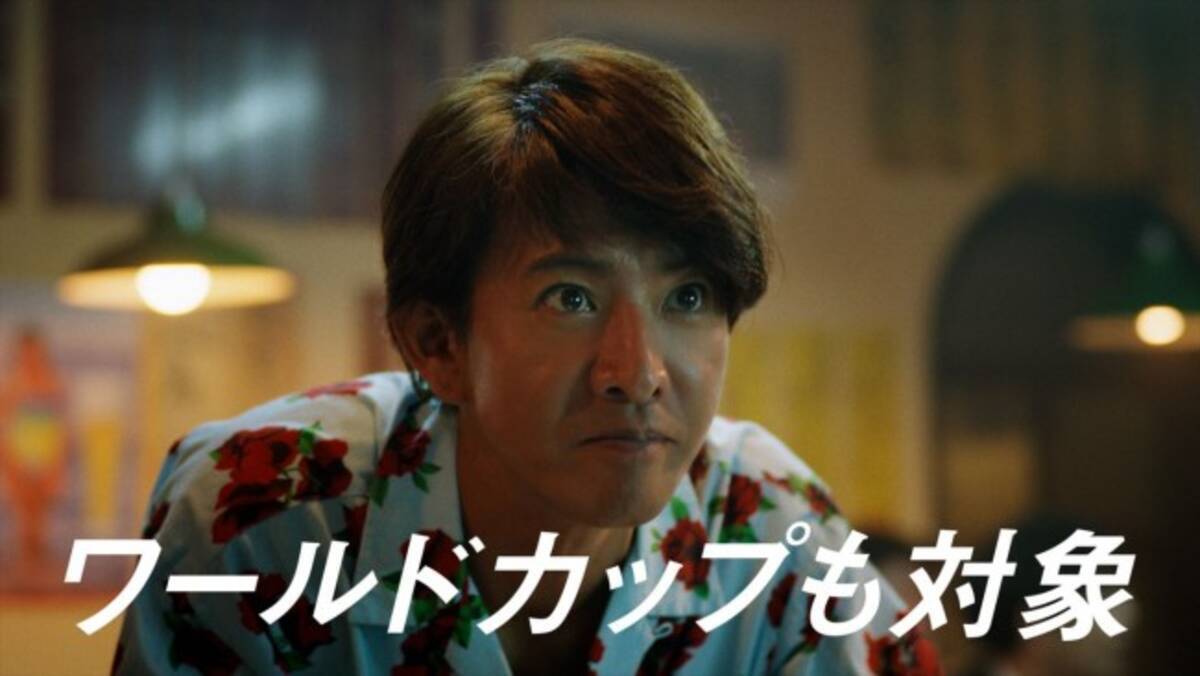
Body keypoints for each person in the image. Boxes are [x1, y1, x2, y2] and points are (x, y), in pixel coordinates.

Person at [113, 39, 936, 675]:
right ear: (438, 344)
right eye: (570, 297)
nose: (638, 374)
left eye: (687, 297)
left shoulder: (773, 533)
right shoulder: (262, 515)